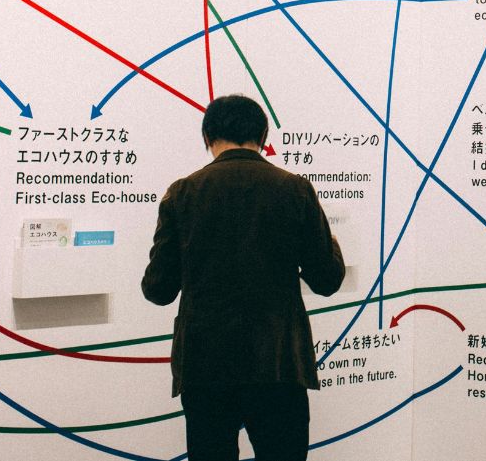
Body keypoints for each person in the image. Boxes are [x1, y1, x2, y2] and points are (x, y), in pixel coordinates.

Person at [142, 94, 345, 461]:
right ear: (263, 137)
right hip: (278, 361)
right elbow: (327, 280)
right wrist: (328, 239)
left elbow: (158, 289)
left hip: (205, 365)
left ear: (207, 136)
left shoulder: (182, 193)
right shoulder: (294, 189)